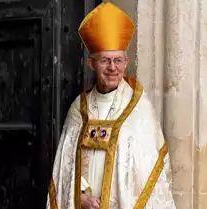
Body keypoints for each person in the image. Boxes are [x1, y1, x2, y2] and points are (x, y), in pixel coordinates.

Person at [46, 2, 176, 209]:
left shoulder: (138, 108)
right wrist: (79, 196)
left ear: (125, 62)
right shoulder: (79, 109)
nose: (112, 68)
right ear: (91, 63)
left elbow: (148, 171)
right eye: (105, 60)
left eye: (118, 61)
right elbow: (66, 166)